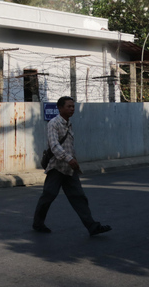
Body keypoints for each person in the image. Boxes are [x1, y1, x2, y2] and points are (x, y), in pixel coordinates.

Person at [32, 96, 111, 236]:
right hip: (57, 167)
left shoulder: (68, 124)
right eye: (69, 106)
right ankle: (38, 223)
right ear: (60, 108)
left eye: (73, 106)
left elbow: (68, 146)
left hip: (69, 169)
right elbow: (54, 145)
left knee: (79, 197)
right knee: (48, 195)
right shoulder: (53, 123)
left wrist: (72, 160)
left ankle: (92, 226)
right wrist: (68, 158)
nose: (72, 109)